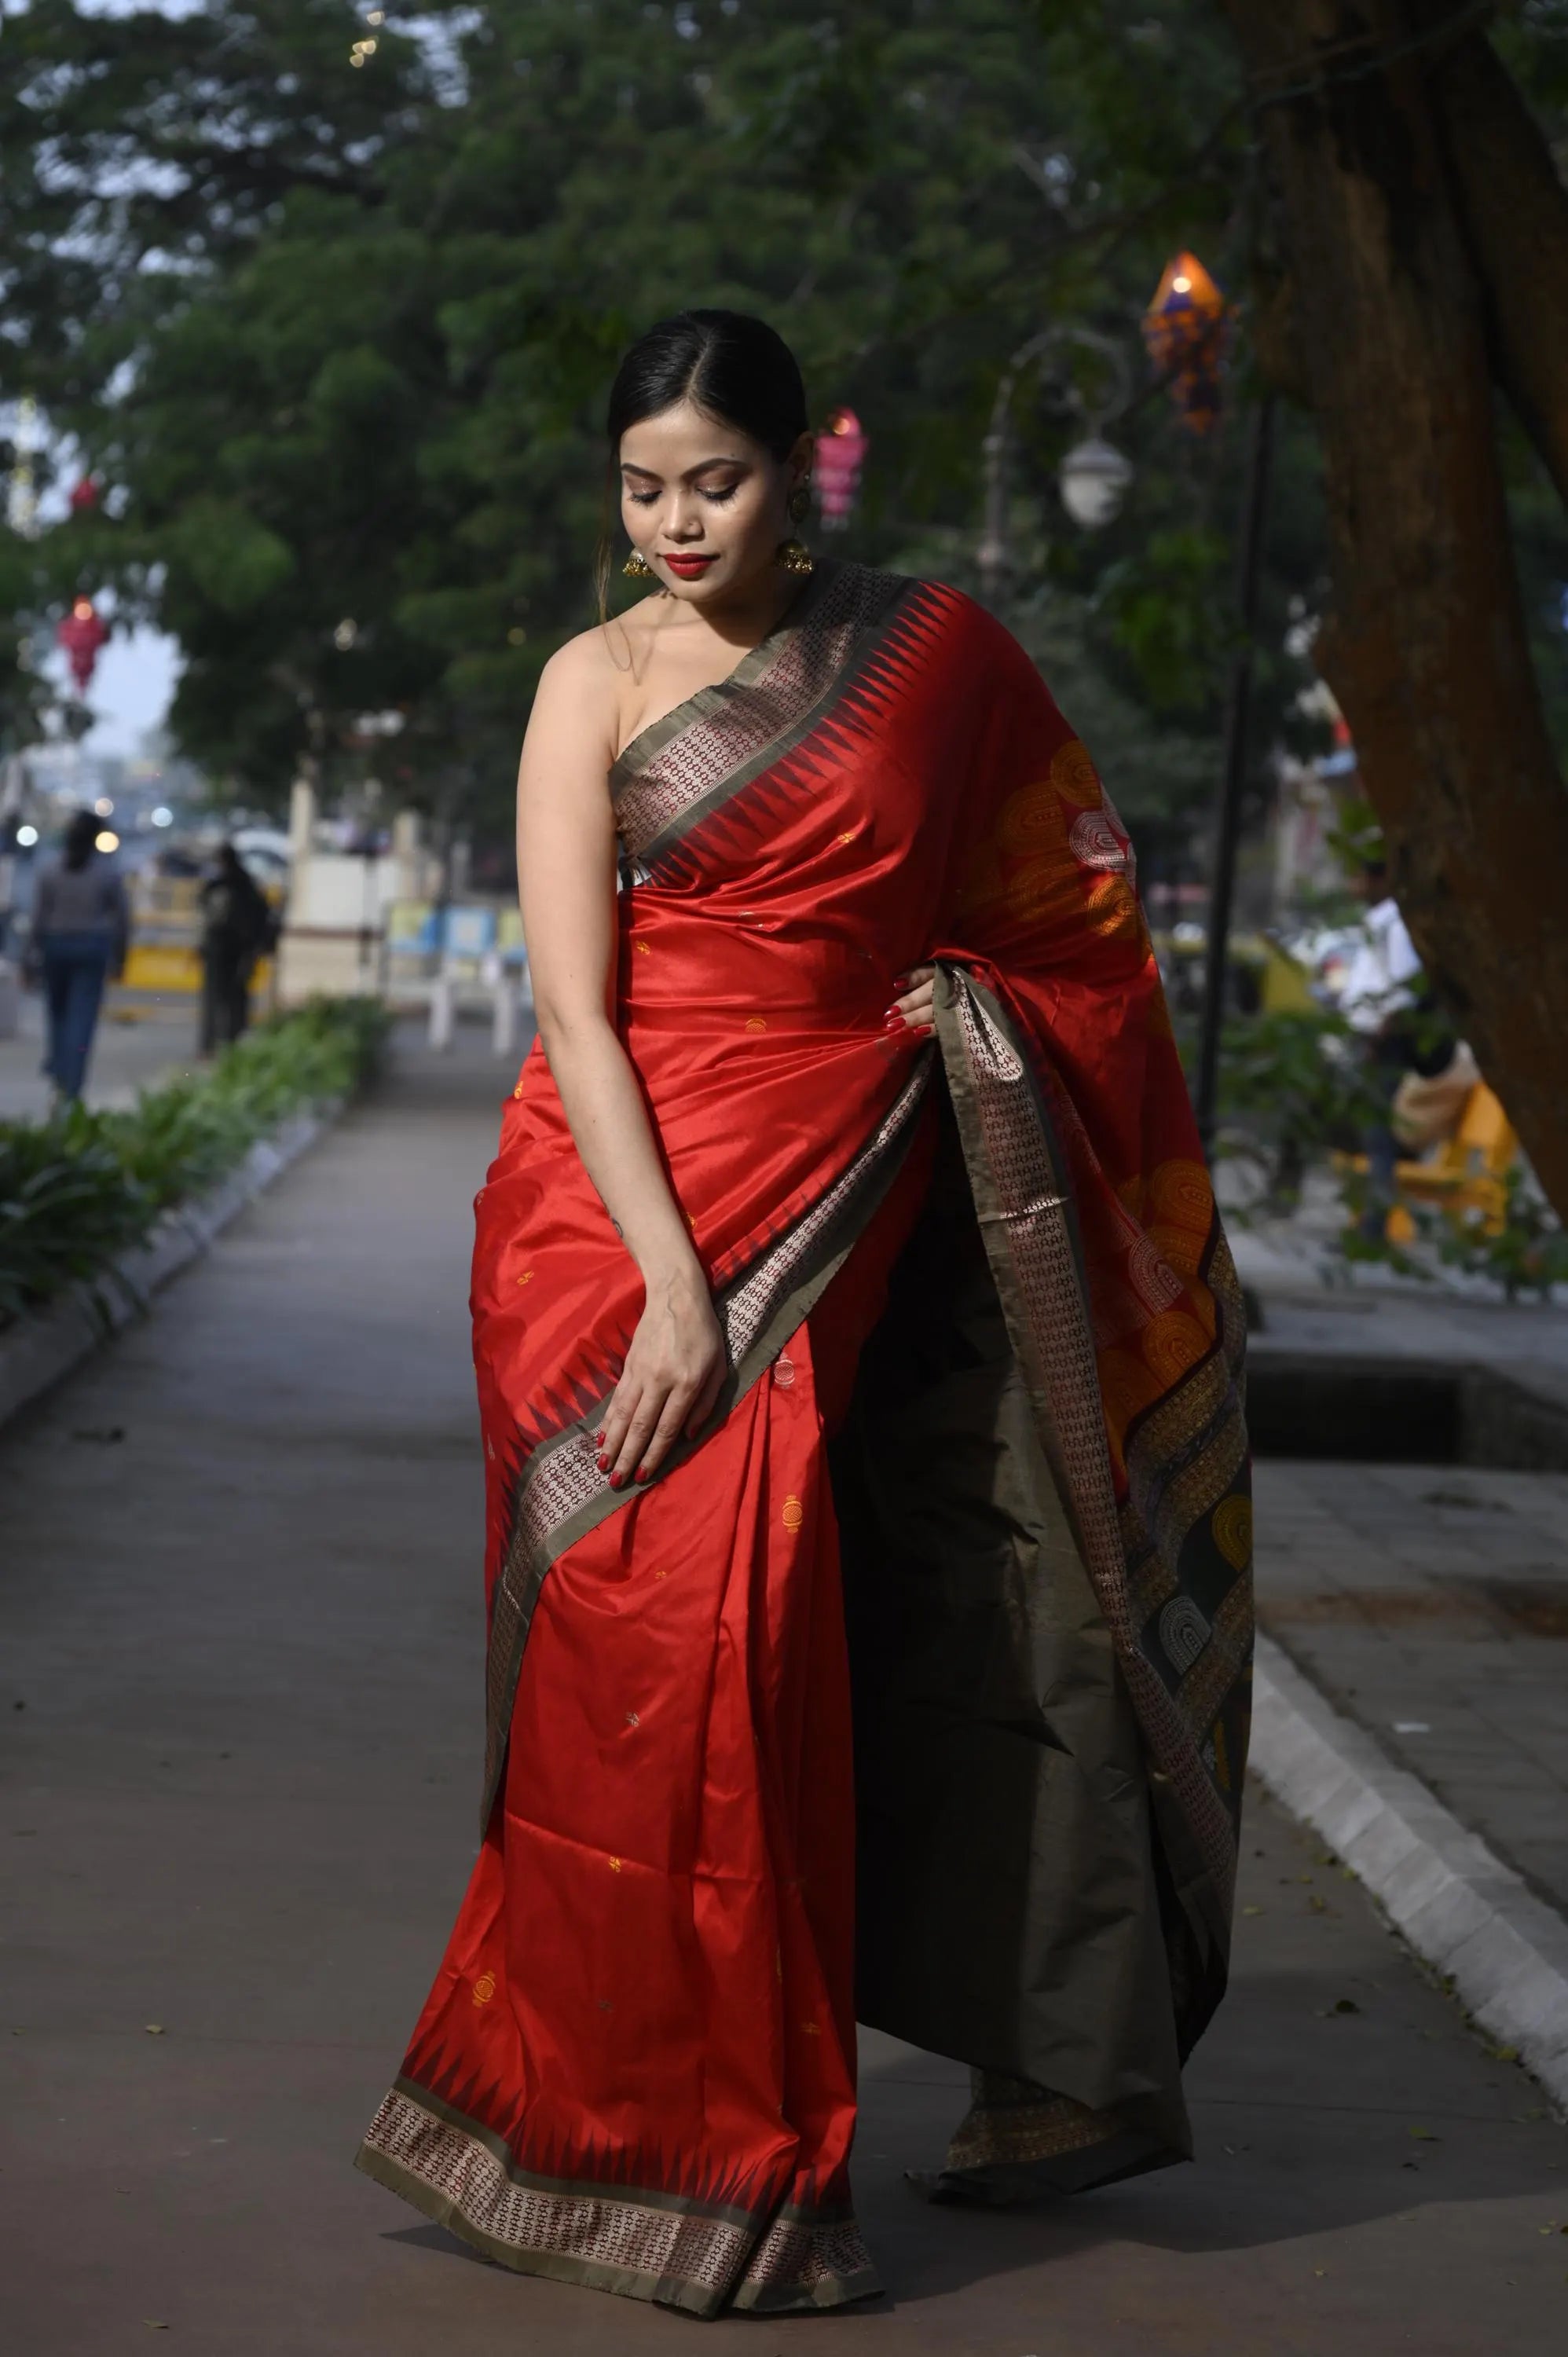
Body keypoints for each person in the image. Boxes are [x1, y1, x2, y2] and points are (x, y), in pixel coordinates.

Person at [357, 311, 1253, 2316]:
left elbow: (1072, 900)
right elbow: (575, 1006)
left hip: (843, 1171)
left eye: (719, 479)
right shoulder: (585, 683)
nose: (677, 520)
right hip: (606, 1214)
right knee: (633, 1632)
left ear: (797, 473)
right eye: (640, 485)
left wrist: (988, 1019)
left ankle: (756, 2152)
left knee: (758, 1633)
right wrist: (670, 1276)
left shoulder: (932, 661)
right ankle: (590, 2115)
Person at [27, 808, 130, 1102]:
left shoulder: (49, 870)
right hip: (91, 948)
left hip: (55, 947)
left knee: (57, 1014)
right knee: (82, 1019)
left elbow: (38, 918)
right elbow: (122, 918)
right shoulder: (106, 872)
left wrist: (28, 958)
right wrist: (120, 957)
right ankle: (73, 1081)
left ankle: (59, 1069)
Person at [198, 841, 272, 1053]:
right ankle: (234, 1042)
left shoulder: (218, 886)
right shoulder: (247, 885)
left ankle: (209, 1046)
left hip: (220, 949)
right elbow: (262, 916)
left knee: (214, 999)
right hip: (242, 950)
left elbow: (205, 919)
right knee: (237, 999)